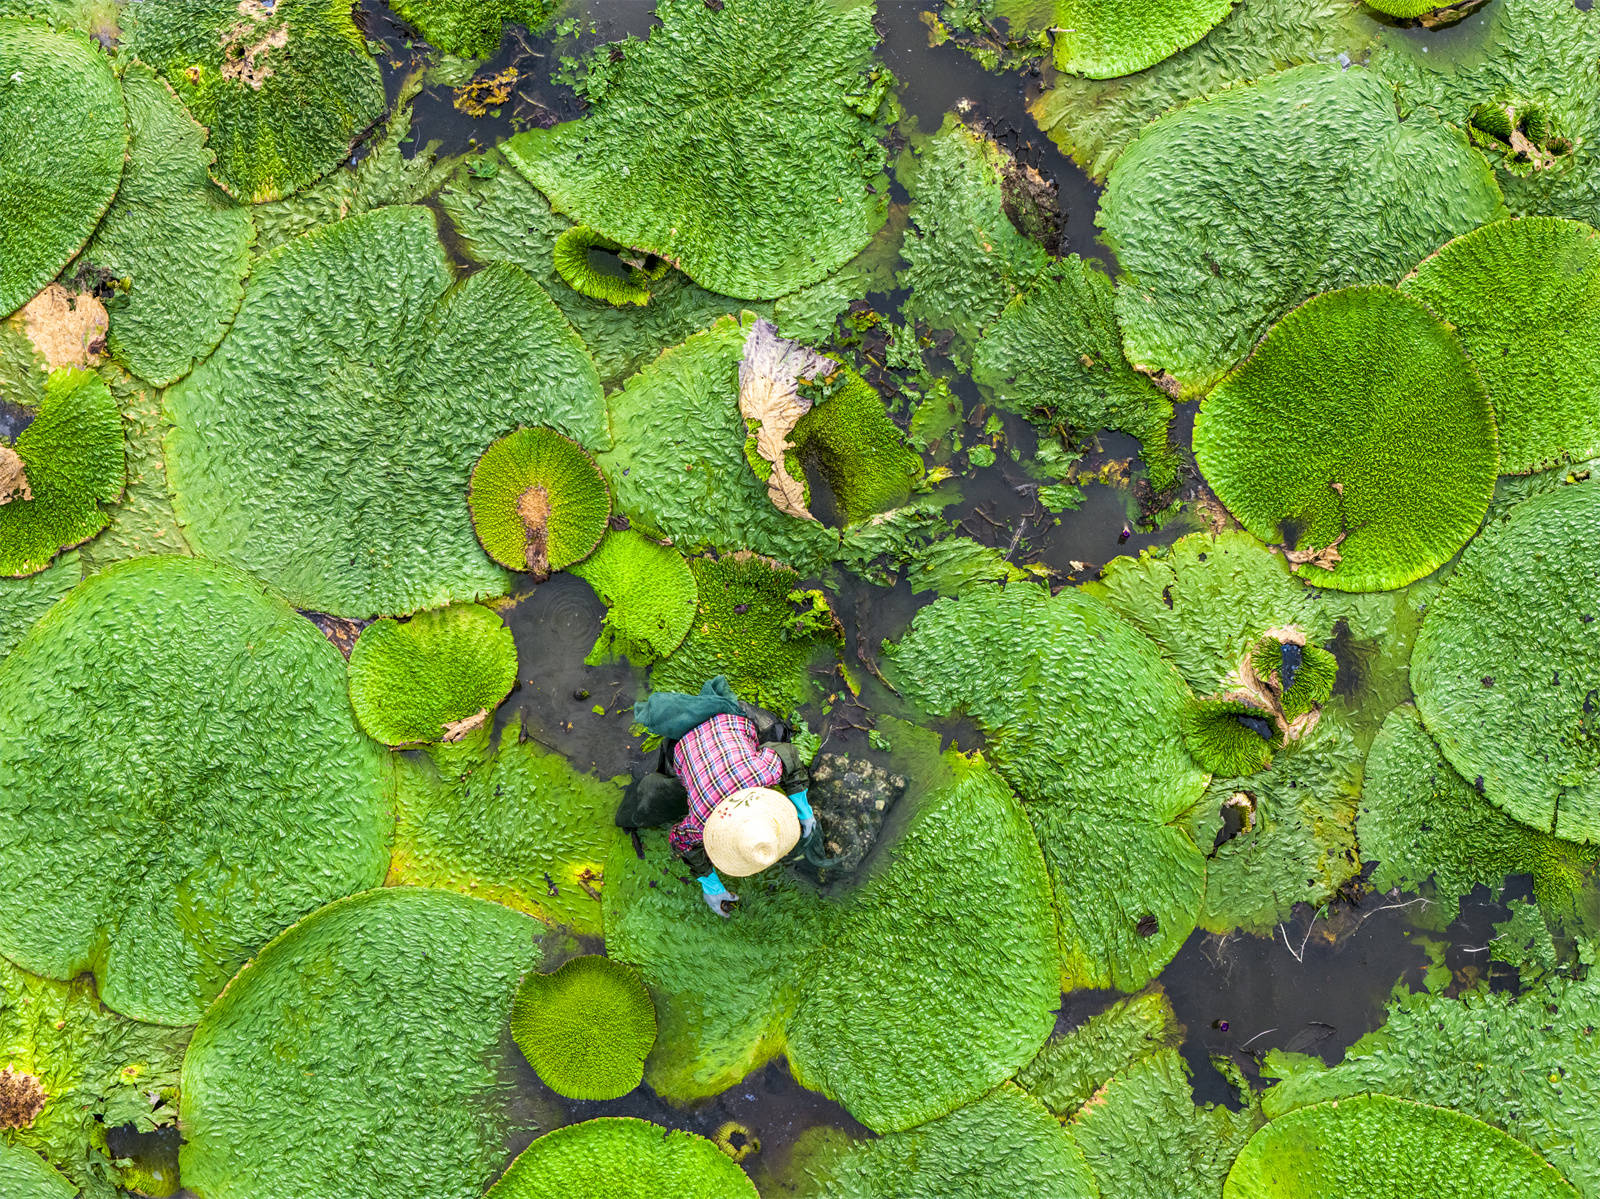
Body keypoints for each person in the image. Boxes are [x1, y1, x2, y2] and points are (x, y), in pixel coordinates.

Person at [616, 677, 818, 917]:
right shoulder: (702, 819)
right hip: (684, 742)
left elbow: (787, 754)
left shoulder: (763, 773)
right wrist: (711, 886)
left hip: (729, 722)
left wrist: (804, 812)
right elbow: (680, 840)